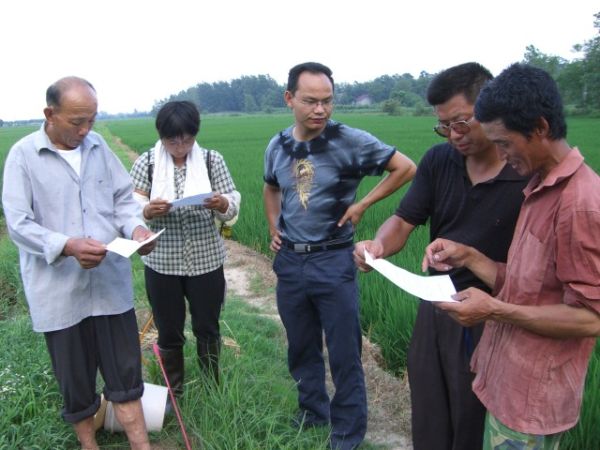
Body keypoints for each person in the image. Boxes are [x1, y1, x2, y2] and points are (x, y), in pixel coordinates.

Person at [424, 63, 600, 449]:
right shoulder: (539, 187)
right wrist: (470, 256)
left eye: (504, 143)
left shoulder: (580, 204)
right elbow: (529, 285)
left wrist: (494, 310)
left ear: (540, 128)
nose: (501, 155)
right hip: (504, 381)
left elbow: (590, 318)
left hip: (533, 401)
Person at [354, 62, 529, 450]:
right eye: (444, 126)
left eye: (462, 123)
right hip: (436, 308)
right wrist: (378, 246)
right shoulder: (439, 161)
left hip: (493, 315)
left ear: (491, 109)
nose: (454, 135)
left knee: (473, 418)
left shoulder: (524, 172)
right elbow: (404, 220)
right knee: (430, 411)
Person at [263, 61, 416, 450]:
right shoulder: (277, 146)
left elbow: (404, 168)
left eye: (327, 101)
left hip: (333, 259)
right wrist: (273, 227)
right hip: (291, 261)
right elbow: (271, 187)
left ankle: (347, 433)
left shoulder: (350, 140)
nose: (320, 110)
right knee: (301, 345)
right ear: (289, 99)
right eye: (310, 101)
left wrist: (363, 204)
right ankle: (313, 413)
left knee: (345, 351)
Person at [2, 76, 156, 450]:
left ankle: (142, 445)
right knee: (75, 380)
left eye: (91, 120)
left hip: (110, 289)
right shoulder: (23, 156)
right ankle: (89, 445)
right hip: (59, 294)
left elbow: (123, 201)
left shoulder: (99, 147)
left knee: (126, 374)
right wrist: (67, 246)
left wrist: (137, 229)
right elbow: (18, 224)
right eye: (76, 122)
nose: (86, 130)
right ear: (49, 114)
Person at [130, 101, 240, 397]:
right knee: (168, 330)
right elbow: (131, 206)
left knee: (208, 327)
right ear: (161, 136)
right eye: (172, 141)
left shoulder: (211, 160)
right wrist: (148, 210)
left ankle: (212, 388)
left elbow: (232, 202)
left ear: (195, 134)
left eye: (187, 139)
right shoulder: (147, 163)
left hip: (206, 259)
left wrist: (222, 203)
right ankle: (174, 392)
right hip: (162, 262)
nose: (180, 147)